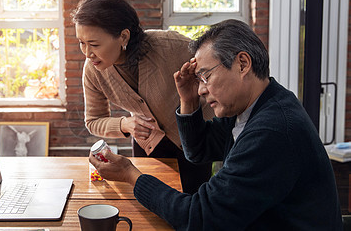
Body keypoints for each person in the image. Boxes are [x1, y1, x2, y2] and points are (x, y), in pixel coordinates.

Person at [89, 19, 343, 230]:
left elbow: (200, 218)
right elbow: (199, 151)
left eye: (206, 76)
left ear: (242, 64)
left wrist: (131, 175)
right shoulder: (255, 105)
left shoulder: (272, 130)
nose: (201, 89)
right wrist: (187, 101)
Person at [71, 0, 215, 194]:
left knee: (194, 205)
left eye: (94, 44)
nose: (87, 53)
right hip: (148, 145)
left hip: (195, 140)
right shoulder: (92, 70)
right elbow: (93, 120)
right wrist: (125, 124)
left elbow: (216, 71)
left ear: (123, 36)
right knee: (150, 204)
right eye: (81, 43)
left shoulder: (171, 46)